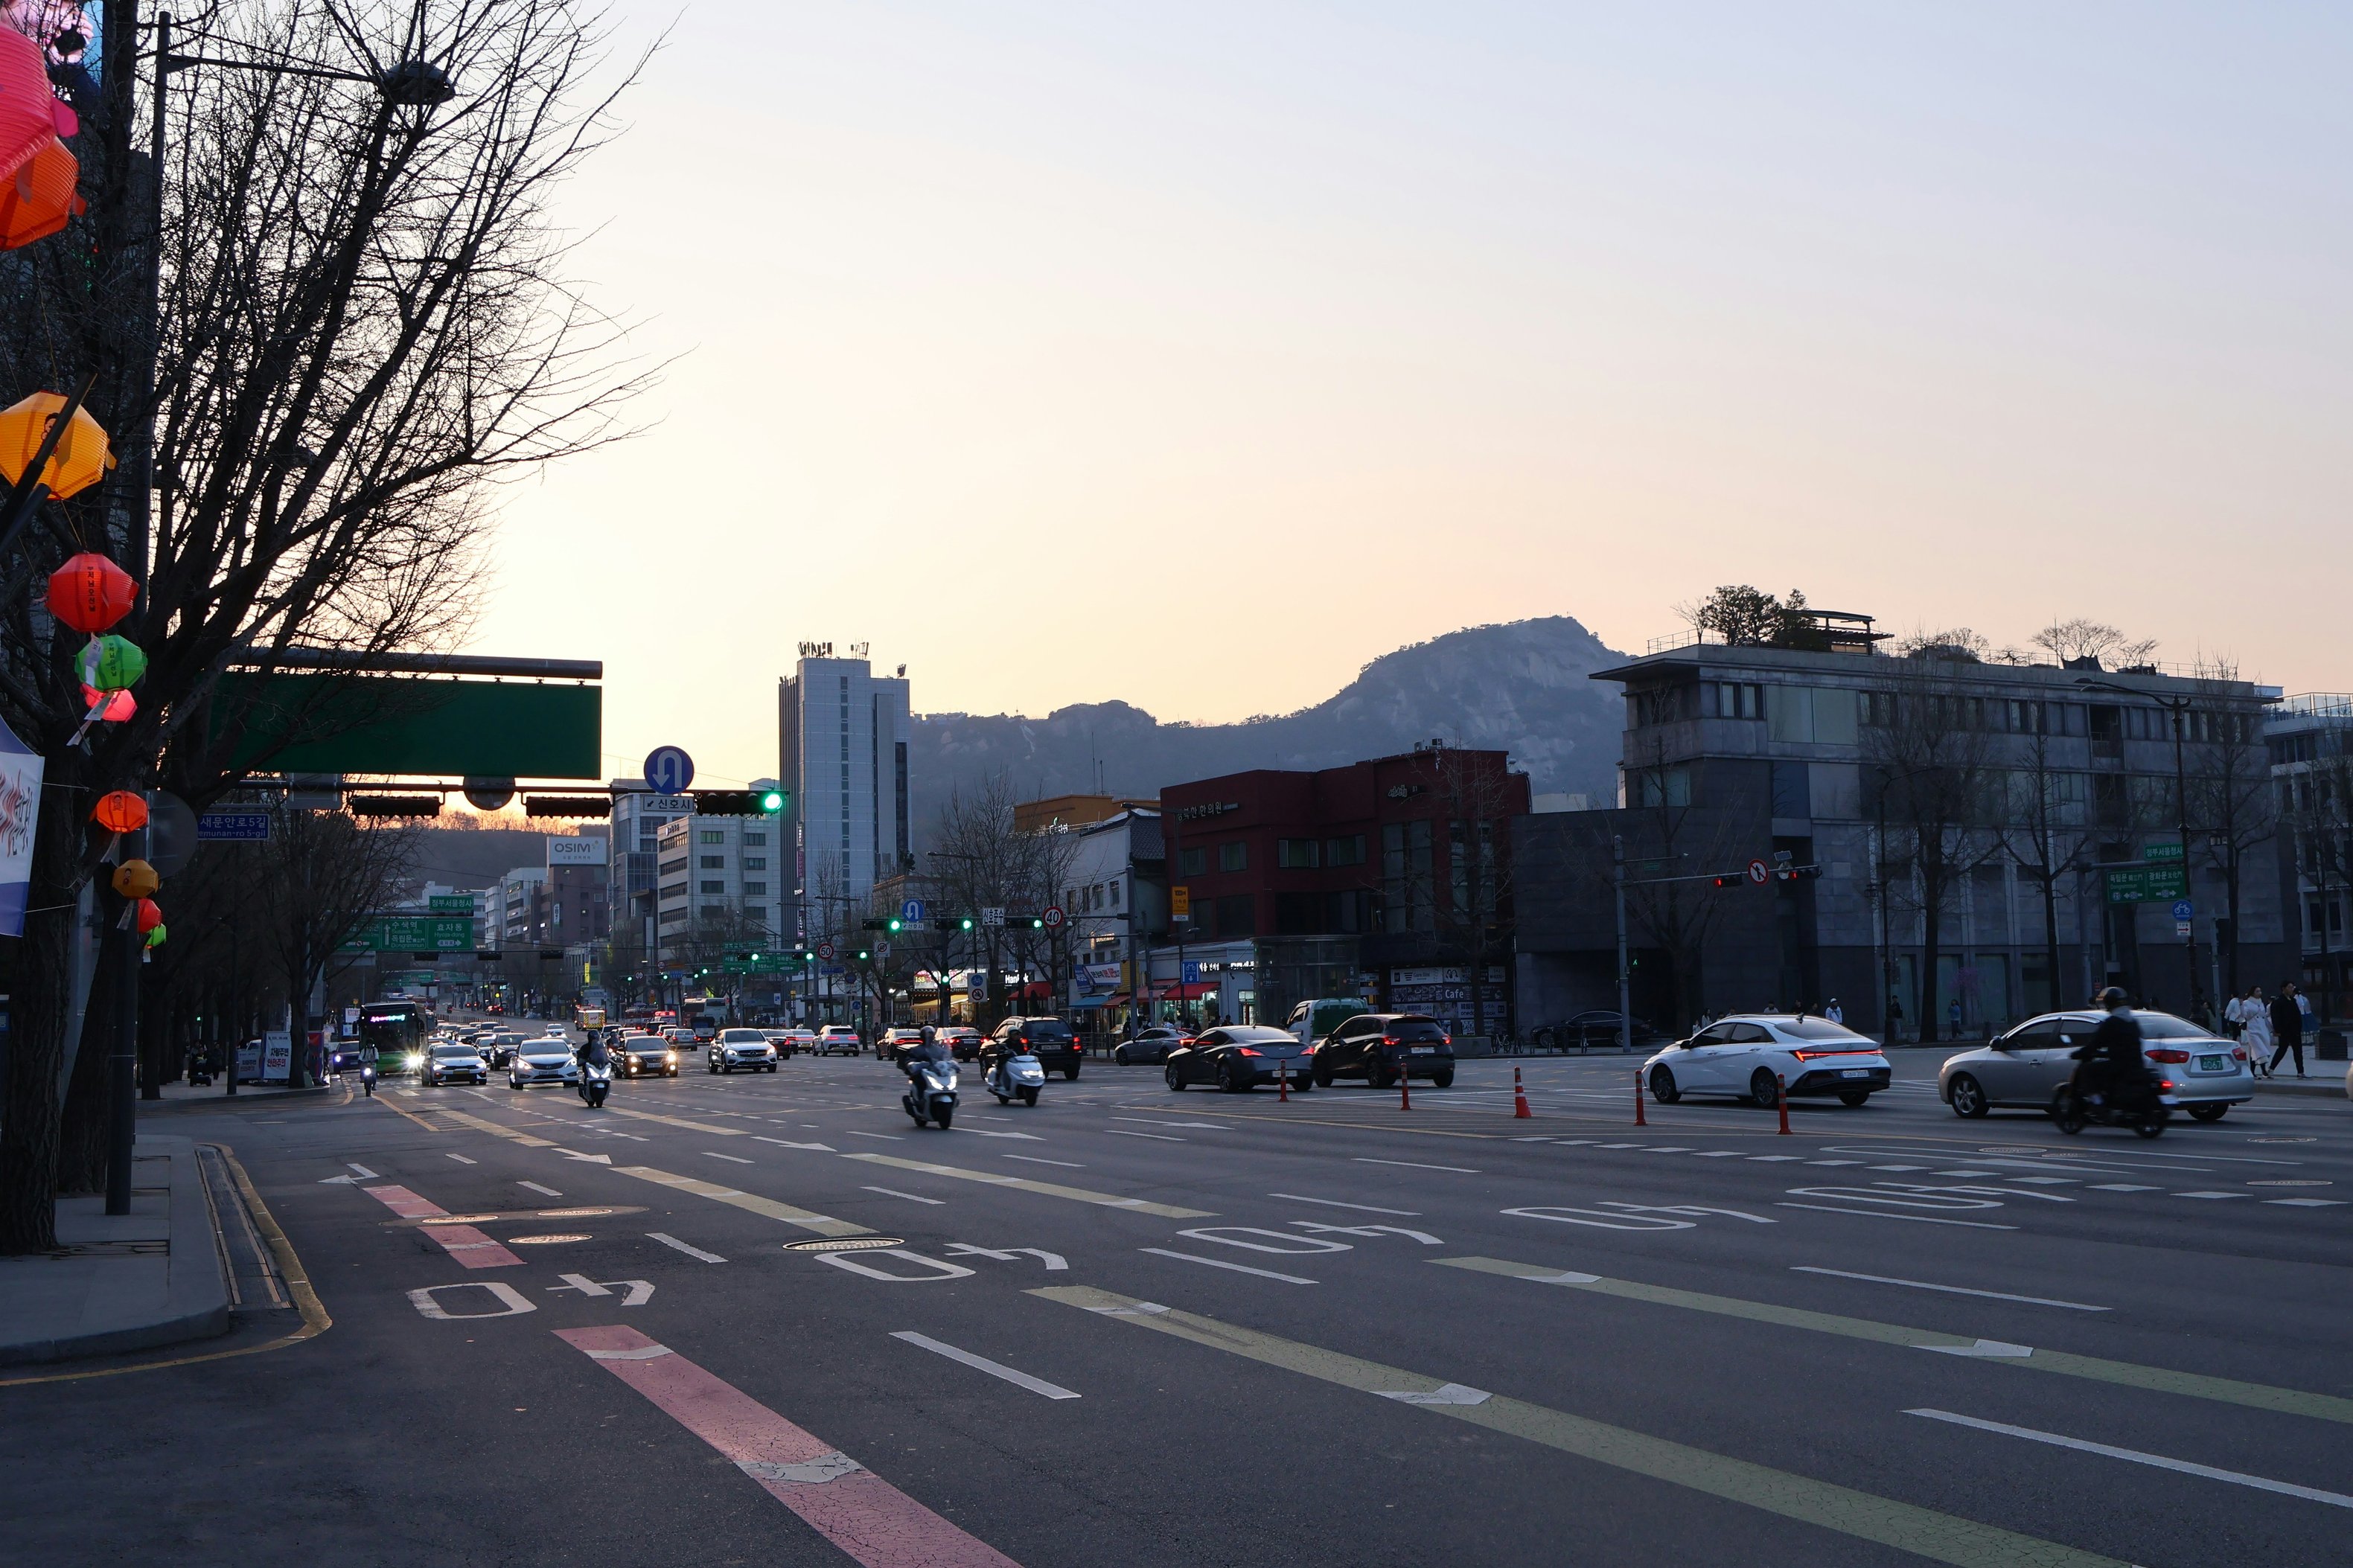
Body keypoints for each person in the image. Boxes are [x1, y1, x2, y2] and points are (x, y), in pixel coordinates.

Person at [2071, 987, 2150, 1105]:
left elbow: (2096, 1043)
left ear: (2110, 1004)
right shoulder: (2132, 1022)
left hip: (2119, 1065)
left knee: (2086, 1069)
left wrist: (2079, 1053)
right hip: (2136, 1064)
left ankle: (2097, 1101)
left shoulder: (2112, 1022)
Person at [2269, 983, 2307, 1078]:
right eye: (2289, 987)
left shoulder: (2293, 1001)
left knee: (2298, 1051)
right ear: (2283, 988)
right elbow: (2275, 1017)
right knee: (2282, 1050)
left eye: (2292, 987)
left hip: (2295, 1030)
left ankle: (2300, 1072)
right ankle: (2271, 1069)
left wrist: (2299, 1027)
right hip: (2285, 1030)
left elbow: (2297, 1016)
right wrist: (2277, 1029)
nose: (2291, 989)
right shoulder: (2278, 1002)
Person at [2241, 986, 2274, 1077]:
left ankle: (2261, 1071)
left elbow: (2264, 1016)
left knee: (2258, 1050)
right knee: (2259, 1049)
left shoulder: (2261, 1003)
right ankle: (2256, 1071)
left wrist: (2270, 1028)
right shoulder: (2246, 1003)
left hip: (2262, 1028)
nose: (2259, 993)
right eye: (2257, 991)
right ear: (2252, 993)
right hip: (2253, 1029)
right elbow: (2244, 1015)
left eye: (2260, 991)